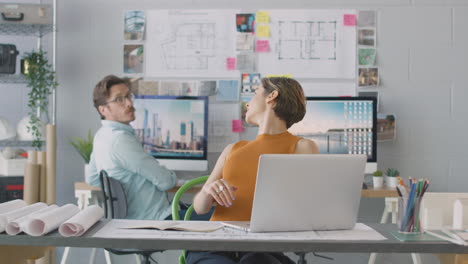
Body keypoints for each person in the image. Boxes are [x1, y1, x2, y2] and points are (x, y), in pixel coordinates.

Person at [187, 77, 320, 264]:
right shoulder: (232, 149)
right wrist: (209, 191)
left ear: (272, 96)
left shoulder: (303, 147)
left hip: (263, 248)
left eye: (255, 93)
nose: (248, 103)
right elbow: (200, 208)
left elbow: (310, 207)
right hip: (216, 244)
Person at [86, 75, 177, 220]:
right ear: (103, 110)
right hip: (157, 220)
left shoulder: (101, 136)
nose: (129, 103)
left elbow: (92, 179)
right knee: (219, 220)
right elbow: (166, 182)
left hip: (138, 218)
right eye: (119, 99)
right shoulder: (120, 140)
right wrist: (172, 176)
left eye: (129, 96)